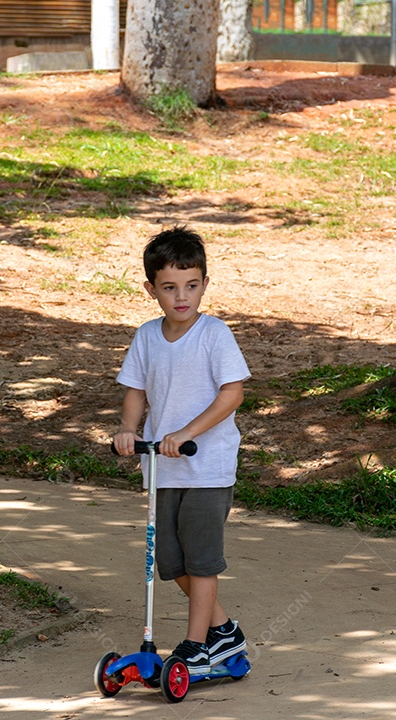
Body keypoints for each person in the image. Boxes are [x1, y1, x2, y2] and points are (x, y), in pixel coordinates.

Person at [112, 225, 250, 674]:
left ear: (205, 284)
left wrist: (186, 432)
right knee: (170, 563)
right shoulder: (147, 337)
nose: (181, 297)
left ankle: (197, 644)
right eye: (169, 288)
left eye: (192, 286)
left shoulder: (214, 334)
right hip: (162, 467)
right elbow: (135, 391)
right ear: (151, 289)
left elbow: (232, 394)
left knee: (201, 557)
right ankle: (226, 631)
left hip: (206, 467)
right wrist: (128, 430)